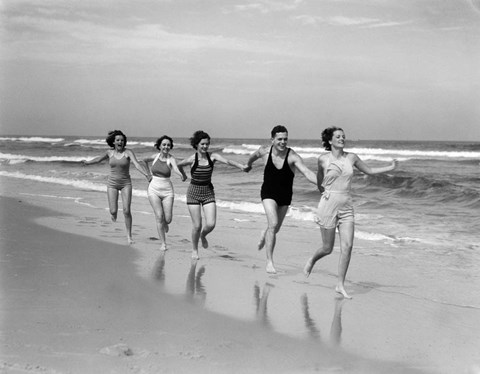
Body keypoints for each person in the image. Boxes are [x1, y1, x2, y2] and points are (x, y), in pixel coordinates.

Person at [303, 126, 398, 299]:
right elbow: (319, 181)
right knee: (327, 248)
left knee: (348, 246)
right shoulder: (323, 159)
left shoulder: (352, 158)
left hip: (347, 207)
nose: (342, 139)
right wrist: (324, 193)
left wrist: (390, 168)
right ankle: (312, 260)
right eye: (338, 136)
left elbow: (368, 170)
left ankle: (340, 284)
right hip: (328, 205)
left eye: (343, 136)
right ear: (330, 140)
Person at [245, 125, 317, 274]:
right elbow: (253, 156)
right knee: (273, 223)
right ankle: (270, 262)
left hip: (285, 196)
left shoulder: (292, 157)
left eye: (285, 139)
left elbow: (307, 173)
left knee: (275, 229)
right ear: (272, 140)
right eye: (279, 139)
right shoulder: (265, 152)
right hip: (268, 193)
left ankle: (264, 234)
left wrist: (322, 184)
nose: (283, 142)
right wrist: (248, 165)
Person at [177, 130, 247, 260]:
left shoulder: (212, 156)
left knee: (211, 224)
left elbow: (228, 161)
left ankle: (203, 235)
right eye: (202, 144)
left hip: (208, 192)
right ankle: (194, 249)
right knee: (197, 225)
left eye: (207, 144)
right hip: (193, 193)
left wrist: (241, 166)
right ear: (196, 144)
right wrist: (184, 175)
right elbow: (178, 165)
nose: (205, 146)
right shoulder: (192, 159)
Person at [82, 130, 151, 244]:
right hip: (112, 184)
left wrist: (146, 175)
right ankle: (113, 215)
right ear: (113, 142)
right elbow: (98, 159)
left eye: (122, 140)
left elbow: (137, 164)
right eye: (118, 140)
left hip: (126, 184)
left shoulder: (128, 152)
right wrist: (87, 162)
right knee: (113, 211)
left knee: (126, 210)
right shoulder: (109, 153)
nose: (120, 142)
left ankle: (129, 236)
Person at [142, 135, 187, 251]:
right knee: (159, 216)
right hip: (153, 189)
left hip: (167, 191)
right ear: (160, 146)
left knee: (168, 219)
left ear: (170, 146)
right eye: (164, 144)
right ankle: (163, 243)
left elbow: (176, 168)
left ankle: (165, 223)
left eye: (168, 145)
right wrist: (148, 174)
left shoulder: (171, 159)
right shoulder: (155, 157)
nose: (166, 147)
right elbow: (143, 161)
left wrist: (180, 174)